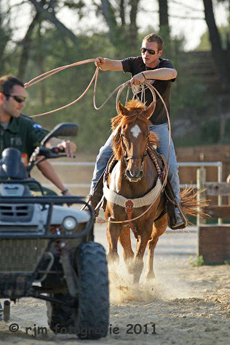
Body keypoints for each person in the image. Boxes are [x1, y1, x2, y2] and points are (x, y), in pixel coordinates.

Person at [88, 32, 187, 229]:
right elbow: (114, 64)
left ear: (159, 52)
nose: (146, 54)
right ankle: (93, 201)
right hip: (130, 124)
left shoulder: (165, 66)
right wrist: (103, 62)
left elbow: (171, 74)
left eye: (150, 51)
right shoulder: (135, 63)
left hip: (157, 126)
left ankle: (174, 209)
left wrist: (145, 75)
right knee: (103, 154)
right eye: (143, 50)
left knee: (172, 167)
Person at [0, 75, 76, 196]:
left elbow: (46, 140)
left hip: (22, 186)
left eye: (24, 100)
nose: (22, 104)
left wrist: (62, 144)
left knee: (49, 197)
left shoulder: (25, 125)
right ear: (2, 97)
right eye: (18, 99)